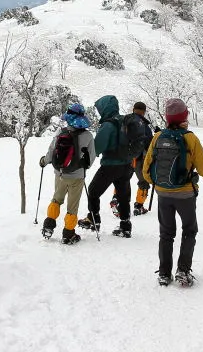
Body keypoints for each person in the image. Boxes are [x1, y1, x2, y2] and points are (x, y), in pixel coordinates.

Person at [142, 98, 203, 287]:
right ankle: (183, 270)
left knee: (166, 234)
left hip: (163, 194)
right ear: (184, 116)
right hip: (185, 194)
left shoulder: (158, 137)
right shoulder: (190, 138)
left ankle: (164, 274)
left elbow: (147, 167)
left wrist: (157, 184)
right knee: (189, 230)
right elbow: (202, 164)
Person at [78, 95, 136, 237]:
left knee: (93, 191)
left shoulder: (108, 125)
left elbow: (97, 147)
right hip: (127, 165)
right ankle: (125, 225)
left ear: (104, 109)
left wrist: (84, 160)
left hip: (110, 166)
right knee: (123, 196)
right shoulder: (125, 121)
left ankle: (93, 219)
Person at [39, 103, 96, 245]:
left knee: (56, 200)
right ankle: (68, 234)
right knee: (72, 206)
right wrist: (84, 167)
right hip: (77, 176)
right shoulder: (88, 136)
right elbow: (91, 158)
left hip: (60, 173)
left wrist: (44, 161)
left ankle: (48, 226)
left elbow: (51, 152)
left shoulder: (61, 132)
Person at [110, 101, 156, 217]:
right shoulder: (144, 125)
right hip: (139, 159)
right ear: (144, 112)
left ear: (133, 109)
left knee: (123, 180)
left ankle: (116, 199)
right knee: (143, 181)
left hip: (125, 158)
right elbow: (149, 144)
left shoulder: (125, 121)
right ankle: (139, 206)